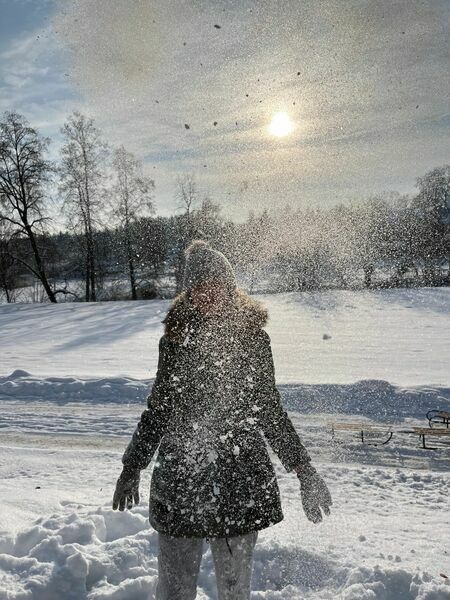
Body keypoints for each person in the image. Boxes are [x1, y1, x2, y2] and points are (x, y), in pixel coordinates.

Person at [112, 239, 332, 600]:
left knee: (234, 591)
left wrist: (304, 469)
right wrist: (132, 465)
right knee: (174, 590)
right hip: (180, 480)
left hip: (239, 481)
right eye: (197, 287)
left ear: (230, 288)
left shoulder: (253, 341)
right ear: (188, 293)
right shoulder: (175, 342)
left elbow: (270, 410)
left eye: (214, 285)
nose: (206, 294)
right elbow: (159, 409)